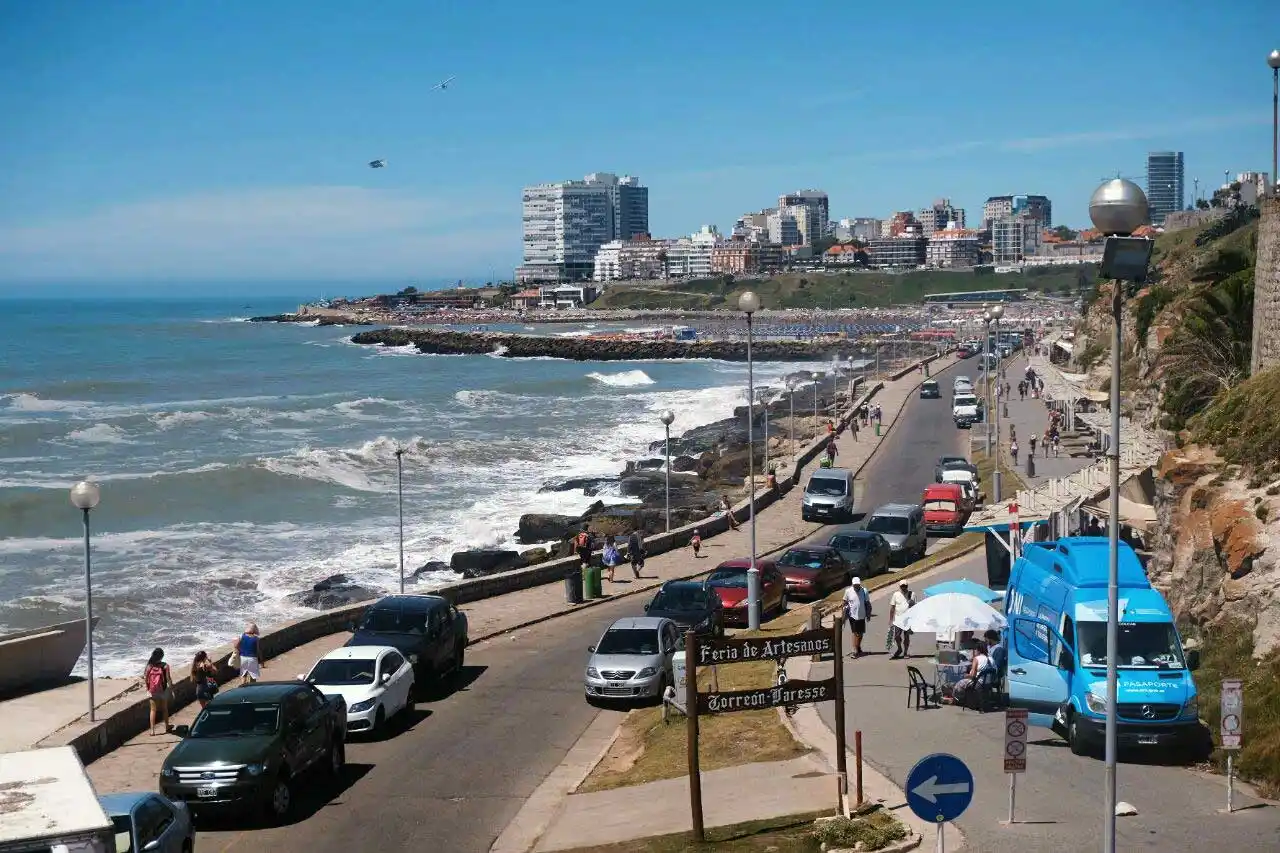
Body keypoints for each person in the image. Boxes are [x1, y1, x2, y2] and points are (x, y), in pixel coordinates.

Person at [951, 639, 993, 707]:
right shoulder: (989, 658)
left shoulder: (976, 659)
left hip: (978, 683)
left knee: (958, 683)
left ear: (978, 650)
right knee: (963, 680)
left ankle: (957, 700)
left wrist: (964, 675)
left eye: (975, 650)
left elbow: (972, 676)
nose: (974, 651)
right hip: (988, 683)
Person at [143, 648, 172, 735]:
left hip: (152, 691)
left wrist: (148, 688)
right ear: (162, 656)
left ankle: (152, 731)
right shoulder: (165, 666)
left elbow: (146, 679)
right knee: (164, 709)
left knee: (153, 710)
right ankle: (167, 727)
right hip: (162, 690)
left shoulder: (149, 666)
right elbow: (168, 679)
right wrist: (171, 688)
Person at [842, 577, 872, 658]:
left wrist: (868, 615)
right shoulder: (848, 591)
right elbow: (844, 603)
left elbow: (867, 603)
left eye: (858, 585)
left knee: (861, 633)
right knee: (856, 633)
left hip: (862, 615)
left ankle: (858, 647)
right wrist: (844, 616)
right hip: (852, 615)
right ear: (852, 584)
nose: (857, 586)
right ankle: (855, 650)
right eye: (855, 585)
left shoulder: (864, 591)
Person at [888, 581, 913, 659]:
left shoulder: (912, 594)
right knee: (897, 636)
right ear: (900, 586)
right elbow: (892, 608)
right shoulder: (896, 594)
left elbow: (915, 607)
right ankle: (899, 649)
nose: (904, 587)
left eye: (905, 586)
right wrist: (891, 620)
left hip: (908, 619)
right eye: (902, 586)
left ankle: (905, 652)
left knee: (907, 636)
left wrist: (911, 602)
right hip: (898, 619)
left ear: (907, 586)